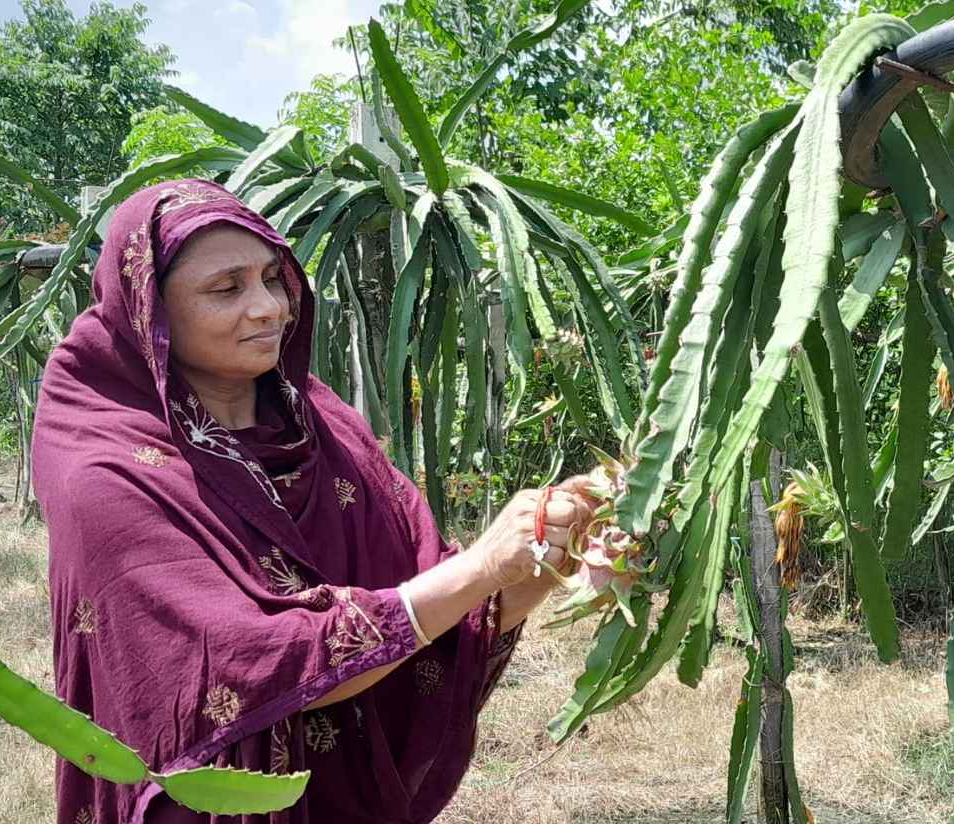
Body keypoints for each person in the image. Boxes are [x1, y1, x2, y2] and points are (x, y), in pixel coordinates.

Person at [33, 179, 595, 823]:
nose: (269, 306)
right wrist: (483, 566)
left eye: (273, 277)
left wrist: (544, 559)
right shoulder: (101, 460)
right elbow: (252, 661)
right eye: (226, 288)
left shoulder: (324, 430)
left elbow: (445, 621)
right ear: (149, 310)